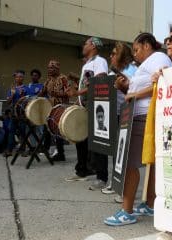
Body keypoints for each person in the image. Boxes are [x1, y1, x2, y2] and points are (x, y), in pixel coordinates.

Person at [104, 32, 172, 226]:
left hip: (143, 115)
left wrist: (133, 94)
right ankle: (150, 203)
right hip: (140, 114)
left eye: (136, 49)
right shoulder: (148, 64)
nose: (134, 54)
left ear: (147, 46)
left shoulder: (158, 58)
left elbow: (163, 83)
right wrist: (127, 89)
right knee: (150, 163)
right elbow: (139, 90)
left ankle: (127, 211)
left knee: (128, 163)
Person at [65, 36, 109, 192]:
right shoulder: (88, 64)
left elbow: (100, 82)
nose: (83, 46)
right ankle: (82, 170)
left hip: (95, 105)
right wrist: (78, 98)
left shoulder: (100, 61)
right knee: (81, 139)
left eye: (86, 43)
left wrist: (77, 92)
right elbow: (87, 83)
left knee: (98, 142)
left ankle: (102, 178)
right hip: (85, 105)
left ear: (93, 46)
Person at [101, 41, 138, 197]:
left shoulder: (133, 70)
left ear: (122, 55)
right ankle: (116, 182)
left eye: (114, 53)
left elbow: (136, 90)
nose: (111, 56)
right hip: (113, 115)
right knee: (116, 151)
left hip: (128, 115)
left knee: (125, 153)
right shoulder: (111, 73)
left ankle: (124, 188)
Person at [39, 60, 70, 161]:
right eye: (48, 68)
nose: (49, 70)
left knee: (58, 130)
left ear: (57, 69)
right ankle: (46, 148)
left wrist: (57, 94)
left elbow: (69, 93)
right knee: (47, 128)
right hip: (51, 109)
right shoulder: (48, 80)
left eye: (51, 68)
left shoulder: (63, 78)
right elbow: (43, 92)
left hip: (61, 108)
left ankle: (61, 154)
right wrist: (35, 98)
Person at [3, 70, 28, 157]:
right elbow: (8, 102)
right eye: (17, 77)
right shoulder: (12, 89)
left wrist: (23, 96)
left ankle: (23, 150)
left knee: (22, 132)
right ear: (15, 78)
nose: (19, 78)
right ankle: (9, 150)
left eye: (21, 77)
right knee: (11, 131)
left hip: (22, 114)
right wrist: (12, 94)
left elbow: (29, 101)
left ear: (23, 78)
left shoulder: (26, 88)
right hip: (14, 113)